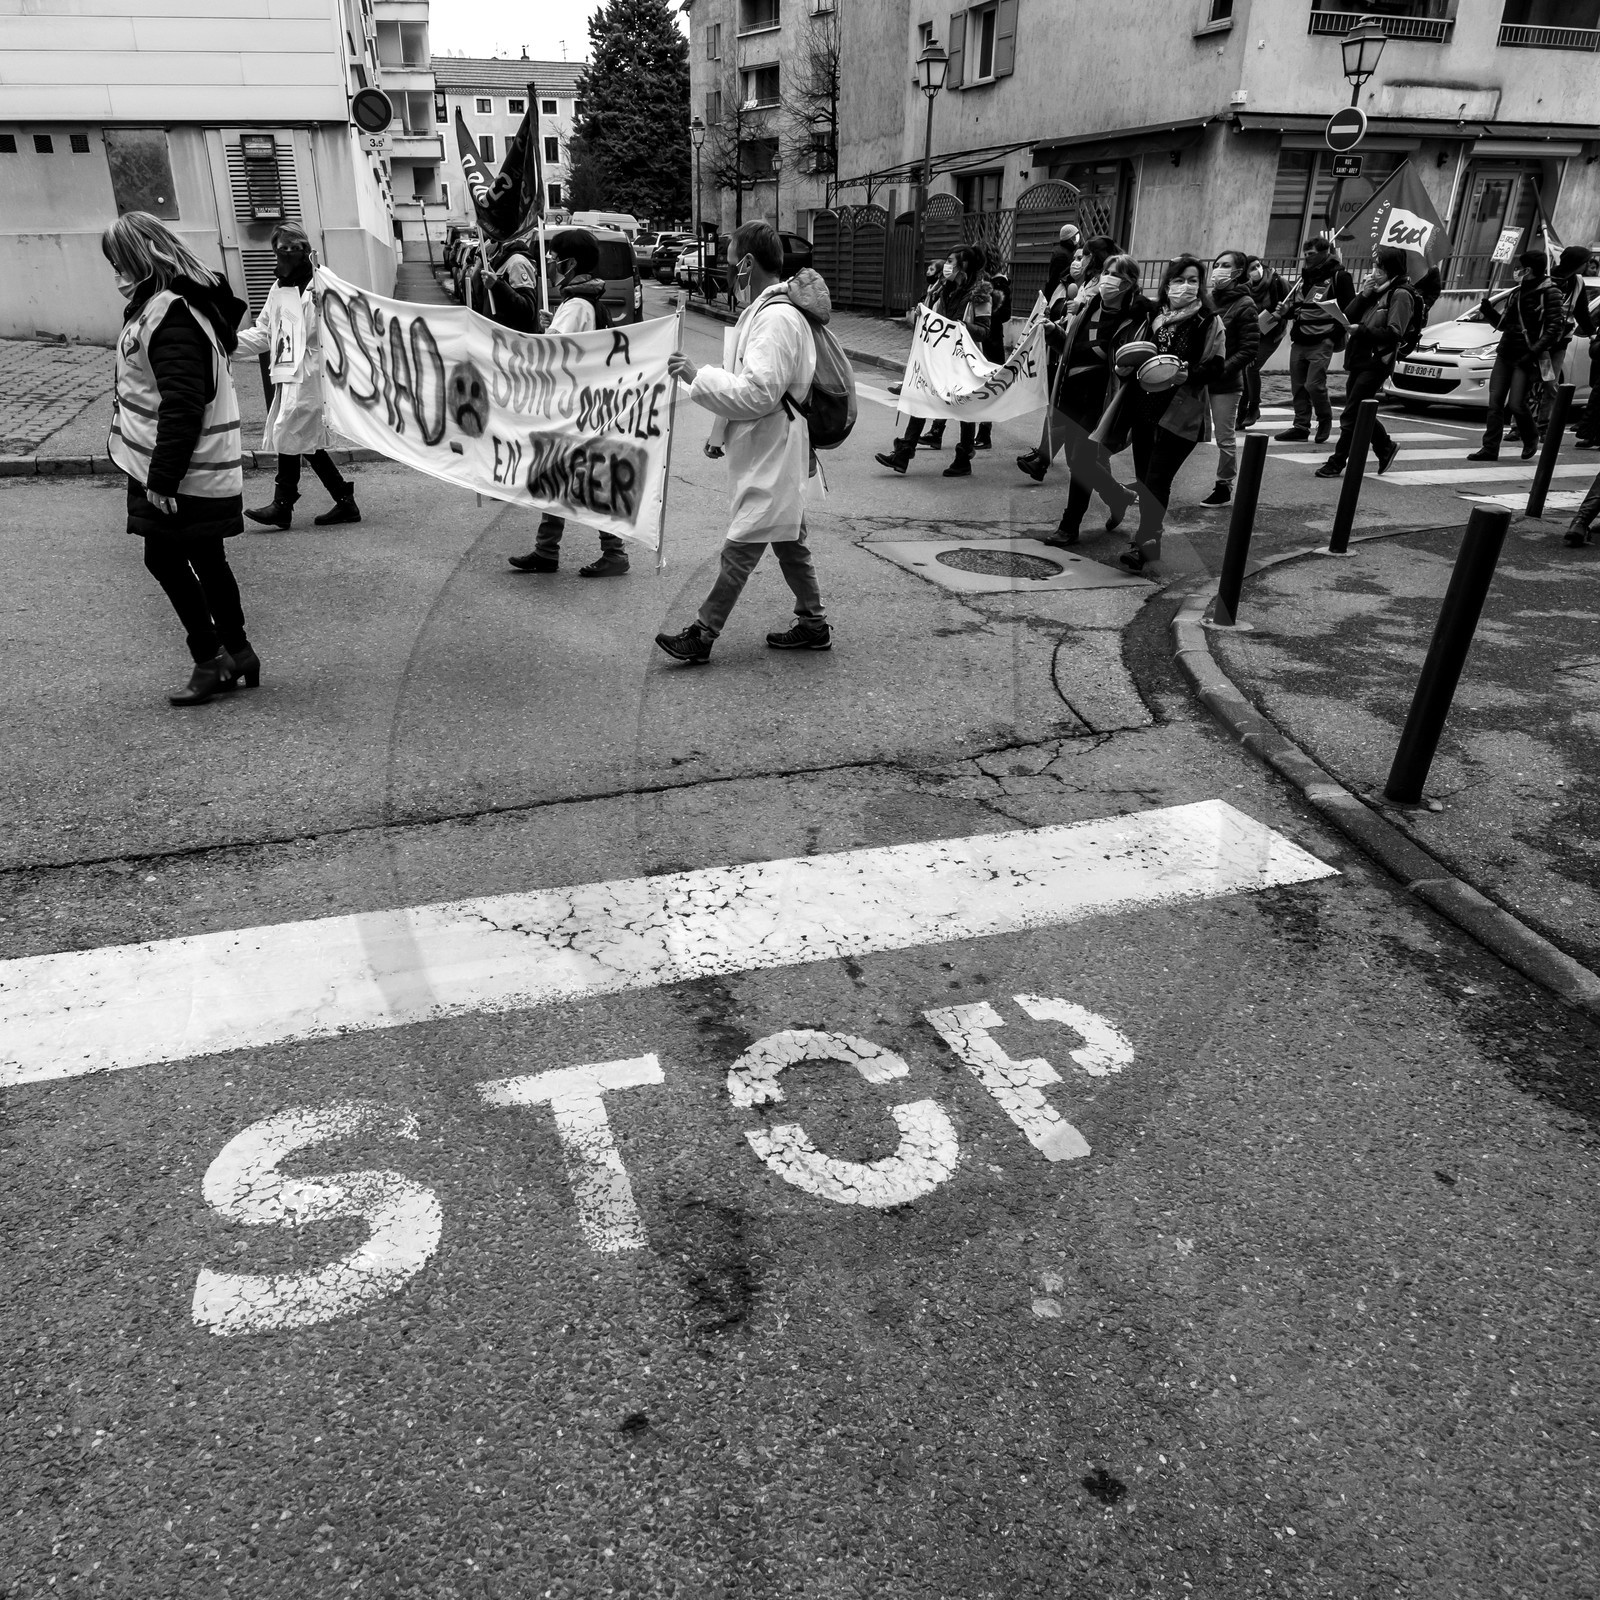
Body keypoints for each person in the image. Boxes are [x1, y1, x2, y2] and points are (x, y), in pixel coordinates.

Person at [655, 221, 828, 665]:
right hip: (773, 444)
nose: (728, 274)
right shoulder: (774, 313)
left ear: (748, 263)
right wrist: (721, 431)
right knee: (790, 539)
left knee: (742, 542)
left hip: (773, 450)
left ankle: (703, 632)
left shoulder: (775, 318)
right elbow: (753, 385)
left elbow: (758, 393)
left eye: (731, 265)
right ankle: (814, 625)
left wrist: (697, 377)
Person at [103, 211, 257, 705]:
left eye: (121, 264)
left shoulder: (169, 312)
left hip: (177, 469)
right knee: (207, 559)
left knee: (164, 557)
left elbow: (184, 401)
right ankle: (237, 652)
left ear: (143, 259)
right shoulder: (180, 307)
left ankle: (211, 659)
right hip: (188, 464)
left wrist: (162, 479)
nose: (117, 276)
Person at [508, 229, 631, 578]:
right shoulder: (581, 301)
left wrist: (538, 336)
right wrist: (553, 324)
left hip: (576, 406)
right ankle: (548, 551)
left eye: (554, 255)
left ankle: (613, 552)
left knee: (582, 476)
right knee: (560, 475)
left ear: (570, 262)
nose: (548, 260)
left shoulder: (576, 304)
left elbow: (550, 353)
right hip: (584, 403)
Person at [231, 222, 360, 530]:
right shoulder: (281, 287)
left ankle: (283, 505)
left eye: (294, 247)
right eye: (282, 248)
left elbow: (349, 323)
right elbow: (265, 332)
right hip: (289, 373)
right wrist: (227, 344)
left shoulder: (322, 281)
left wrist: (325, 311)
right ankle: (343, 500)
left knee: (291, 433)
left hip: (316, 376)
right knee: (303, 440)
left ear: (306, 248)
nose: (288, 254)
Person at [1033, 253, 1152, 545]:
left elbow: (1133, 361)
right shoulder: (1088, 308)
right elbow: (1072, 350)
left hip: (1102, 400)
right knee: (1080, 463)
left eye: (1116, 275)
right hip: (1071, 393)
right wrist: (1053, 333)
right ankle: (1118, 495)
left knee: (1079, 460)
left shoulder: (1136, 318)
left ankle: (1069, 526)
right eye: (1107, 272)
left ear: (1129, 284)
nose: (1107, 279)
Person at [1118, 254, 1224, 573]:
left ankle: (1144, 542)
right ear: (1167, 284)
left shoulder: (1208, 321)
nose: (1186, 286)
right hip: (1145, 409)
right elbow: (1138, 354)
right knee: (1145, 479)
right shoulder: (1155, 317)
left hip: (1180, 413)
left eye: (1193, 280)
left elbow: (1216, 366)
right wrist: (1125, 366)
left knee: (1156, 480)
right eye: (1179, 280)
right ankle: (1151, 543)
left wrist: (1188, 375)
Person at [874, 245, 993, 477]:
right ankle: (904, 453)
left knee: (964, 408)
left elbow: (984, 331)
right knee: (922, 395)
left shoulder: (980, 295)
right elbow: (935, 318)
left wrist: (962, 327)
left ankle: (964, 457)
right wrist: (922, 315)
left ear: (964, 265)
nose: (946, 265)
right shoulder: (943, 290)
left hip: (963, 361)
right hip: (940, 357)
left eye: (951, 261)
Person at [1016, 235, 1120, 481]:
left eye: (1083, 256)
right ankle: (1044, 459)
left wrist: (1080, 313)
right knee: (1061, 413)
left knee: (1086, 439)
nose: (1078, 261)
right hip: (1071, 360)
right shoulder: (1086, 283)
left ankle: (1110, 488)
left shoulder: (1104, 288)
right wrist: (1058, 327)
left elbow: (1101, 329)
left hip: (1092, 369)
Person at [1314, 245, 1413, 480]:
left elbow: (1394, 333)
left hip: (1378, 360)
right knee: (1359, 410)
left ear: (1391, 269)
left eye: (1380, 267)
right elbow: (1347, 315)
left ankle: (1337, 462)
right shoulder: (1376, 290)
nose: (1374, 271)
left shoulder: (1400, 294)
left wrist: (1362, 331)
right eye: (1374, 265)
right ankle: (1385, 447)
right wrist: (1364, 294)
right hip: (1359, 358)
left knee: (1351, 413)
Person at [1467, 249, 1564, 462]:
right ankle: (1490, 448)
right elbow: (1504, 325)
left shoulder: (1550, 293)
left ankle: (1531, 436)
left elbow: (1554, 329)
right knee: (1495, 403)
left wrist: (1532, 353)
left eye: (1519, 267)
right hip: (1505, 352)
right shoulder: (1516, 292)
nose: (1516, 271)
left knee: (1516, 404)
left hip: (1527, 356)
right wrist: (1490, 311)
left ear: (1528, 270)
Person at [1275, 237, 1356, 444]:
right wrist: (1286, 311)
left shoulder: (1340, 276)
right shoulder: (1305, 278)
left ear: (1325, 253)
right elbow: (1301, 307)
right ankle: (1301, 426)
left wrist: (1334, 337)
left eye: (1311, 254)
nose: (1306, 258)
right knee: (1298, 385)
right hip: (1300, 338)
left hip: (1323, 339)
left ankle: (1325, 419)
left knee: (1314, 384)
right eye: (1305, 254)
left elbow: (1350, 310)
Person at [1199, 250, 1261, 506]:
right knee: (1178, 431)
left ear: (1238, 273)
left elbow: (1249, 348)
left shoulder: (1245, 304)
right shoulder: (1207, 300)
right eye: (1216, 265)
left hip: (1225, 383)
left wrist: (1222, 368)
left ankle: (1224, 486)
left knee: (1224, 438)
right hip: (1199, 379)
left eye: (1226, 266)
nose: (1218, 270)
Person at [1543, 244, 1595, 434]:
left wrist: (1592, 333)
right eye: (1585, 262)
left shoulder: (1578, 282)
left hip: (1560, 343)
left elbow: (1581, 312)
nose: (1587, 265)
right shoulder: (1547, 278)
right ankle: (1518, 426)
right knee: (1540, 381)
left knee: (1551, 383)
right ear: (1576, 263)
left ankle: (1543, 425)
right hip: (1541, 344)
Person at [1237, 254, 1288, 429]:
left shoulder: (1276, 281)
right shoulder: (1244, 288)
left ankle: (1254, 408)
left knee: (1252, 367)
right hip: (1252, 332)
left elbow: (1292, 303)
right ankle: (1241, 412)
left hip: (1272, 333)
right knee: (1244, 369)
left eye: (1258, 265)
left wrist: (1282, 313)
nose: (1257, 270)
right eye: (1251, 268)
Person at [973, 263, 1012, 452]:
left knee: (988, 386)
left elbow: (1005, 314)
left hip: (991, 341)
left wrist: (987, 311)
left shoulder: (1000, 284)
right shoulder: (976, 282)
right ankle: (938, 430)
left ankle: (984, 432)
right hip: (976, 341)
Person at [1045, 223, 1082, 300]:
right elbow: (1055, 277)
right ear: (1069, 238)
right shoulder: (1062, 254)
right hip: (1059, 292)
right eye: (1075, 238)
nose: (1077, 241)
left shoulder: (1066, 252)